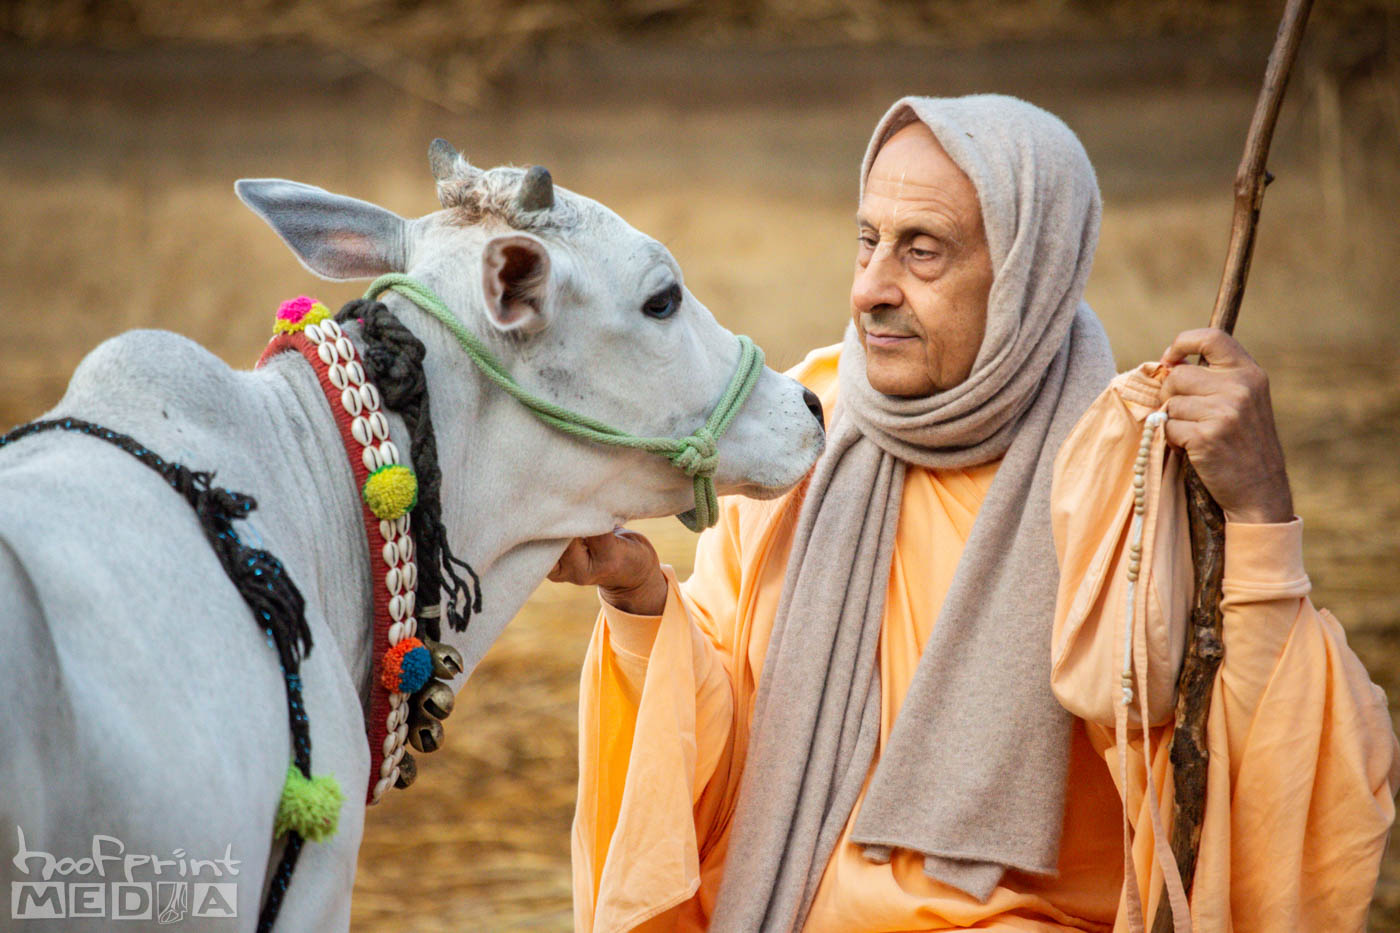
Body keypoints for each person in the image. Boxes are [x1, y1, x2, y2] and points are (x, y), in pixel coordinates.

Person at [550, 95, 1399, 933]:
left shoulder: (1128, 477)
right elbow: (723, 751)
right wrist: (639, 598)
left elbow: (1254, 779)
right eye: (867, 240)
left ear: (1028, 275)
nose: (869, 288)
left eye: (922, 251)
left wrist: (1259, 510)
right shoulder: (803, 429)